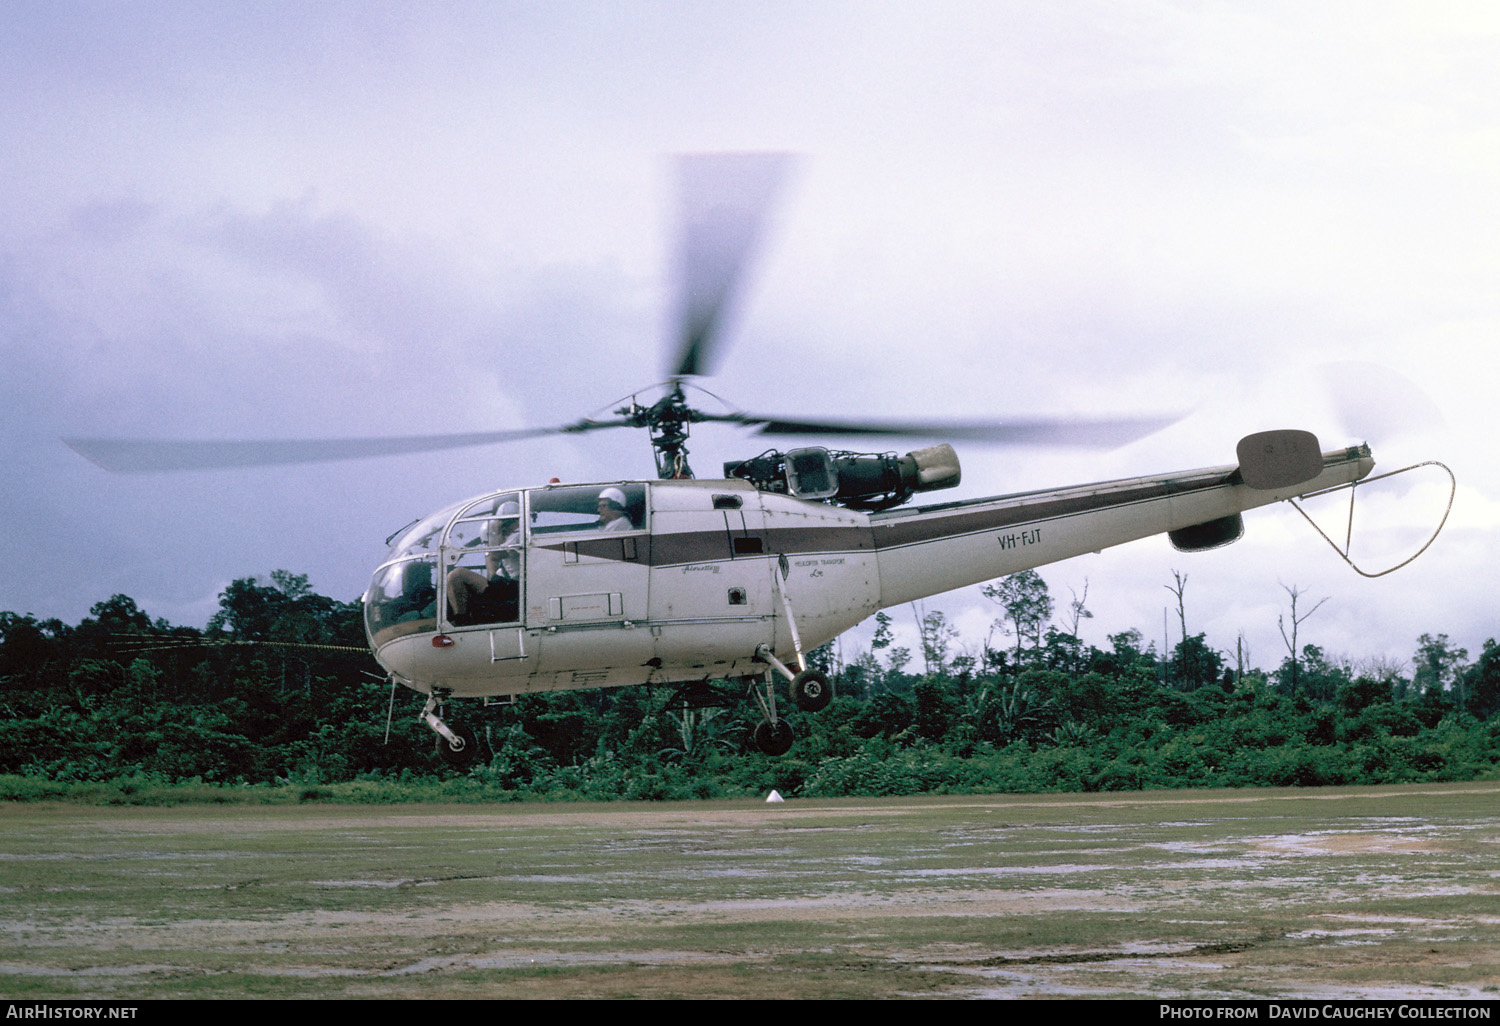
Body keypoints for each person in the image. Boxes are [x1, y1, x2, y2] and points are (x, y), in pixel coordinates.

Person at [445, 501, 522, 623]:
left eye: (506, 524)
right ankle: (461, 616)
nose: (505, 528)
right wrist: (488, 544)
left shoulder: (518, 537)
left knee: (457, 575)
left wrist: (495, 532)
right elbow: (491, 575)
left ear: (517, 522)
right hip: (506, 586)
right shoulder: (509, 542)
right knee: (453, 578)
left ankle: (461, 619)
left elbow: (494, 555)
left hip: (513, 588)